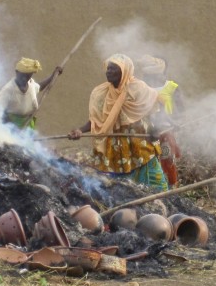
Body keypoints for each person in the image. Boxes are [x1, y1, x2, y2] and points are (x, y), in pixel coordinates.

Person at [68, 54, 167, 191]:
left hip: (140, 147)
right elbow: (96, 121)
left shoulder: (138, 88)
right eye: (108, 68)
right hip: (114, 150)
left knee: (157, 187)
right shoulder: (101, 92)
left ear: (125, 71)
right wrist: (80, 130)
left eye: (113, 69)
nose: (108, 71)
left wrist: (156, 129)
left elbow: (157, 105)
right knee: (115, 190)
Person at [137, 55, 185, 187]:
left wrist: (175, 122)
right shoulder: (141, 89)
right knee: (148, 160)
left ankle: (171, 187)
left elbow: (179, 110)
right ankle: (150, 186)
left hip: (165, 130)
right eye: (146, 76)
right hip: (145, 132)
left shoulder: (171, 87)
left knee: (167, 158)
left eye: (151, 76)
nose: (148, 79)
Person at [0, 57, 62, 130]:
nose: (24, 79)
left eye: (27, 76)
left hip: (30, 121)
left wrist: (53, 75)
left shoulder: (31, 84)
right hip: (11, 125)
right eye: (23, 76)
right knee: (14, 140)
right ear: (17, 72)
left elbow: (39, 87)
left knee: (30, 139)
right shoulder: (8, 90)